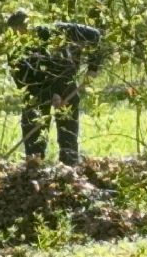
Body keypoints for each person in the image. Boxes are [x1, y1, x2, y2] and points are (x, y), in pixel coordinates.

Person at [7, 9, 103, 166]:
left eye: (21, 30)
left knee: (68, 131)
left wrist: (93, 68)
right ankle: (34, 166)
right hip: (35, 90)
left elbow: (95, 36)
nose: (19, 35)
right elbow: (19, 78)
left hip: (65, 82)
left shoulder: (56, 31)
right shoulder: (13, 47)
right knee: (32, 127)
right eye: (14, 32)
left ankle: (69, 166)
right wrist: (47, 95)